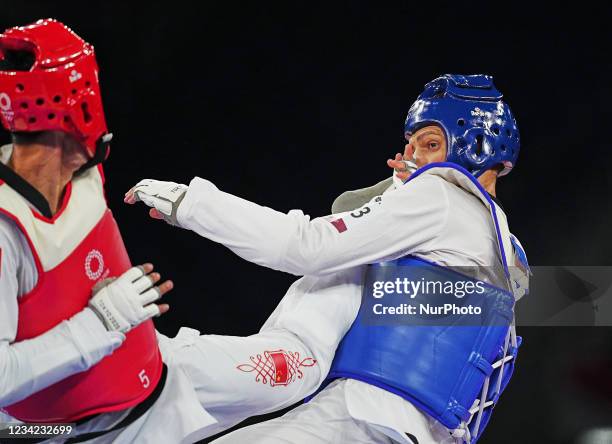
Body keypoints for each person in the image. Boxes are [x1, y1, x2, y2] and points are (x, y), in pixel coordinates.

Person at [0, 19, 353, 444]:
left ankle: (374, 248)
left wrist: (195, 207)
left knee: (298, 366)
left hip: (168, 372)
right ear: (80, 101)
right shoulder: (6, 232)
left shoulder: (84, 171)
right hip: (99, 434)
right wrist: (101, 322)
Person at [127, 74, 530, 443]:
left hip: (359, 421)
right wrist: (392, 192)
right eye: (412, 146)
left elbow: (309, 246)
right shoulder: (509, 253)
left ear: (475, 146)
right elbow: (354, 232)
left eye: (429, 144)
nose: (416, 158)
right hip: (409, 433)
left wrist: (195, 205)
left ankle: (147, 370)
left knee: (291, 356)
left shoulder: (441, 196)